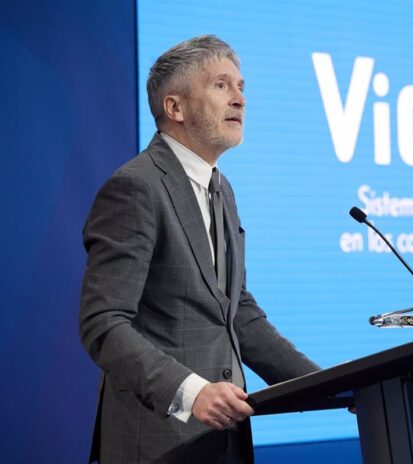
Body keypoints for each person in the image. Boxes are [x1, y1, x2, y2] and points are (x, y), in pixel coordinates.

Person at [79, 35, 320, 464]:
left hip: (225, 440)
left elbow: (237, 313)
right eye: (221, 85)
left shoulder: (221, 189)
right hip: (157, 443)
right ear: (175, 108)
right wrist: (191, 392)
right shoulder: (136, 188)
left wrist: (327, 384)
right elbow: (103, 323)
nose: (240, 99)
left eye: (241, 87)